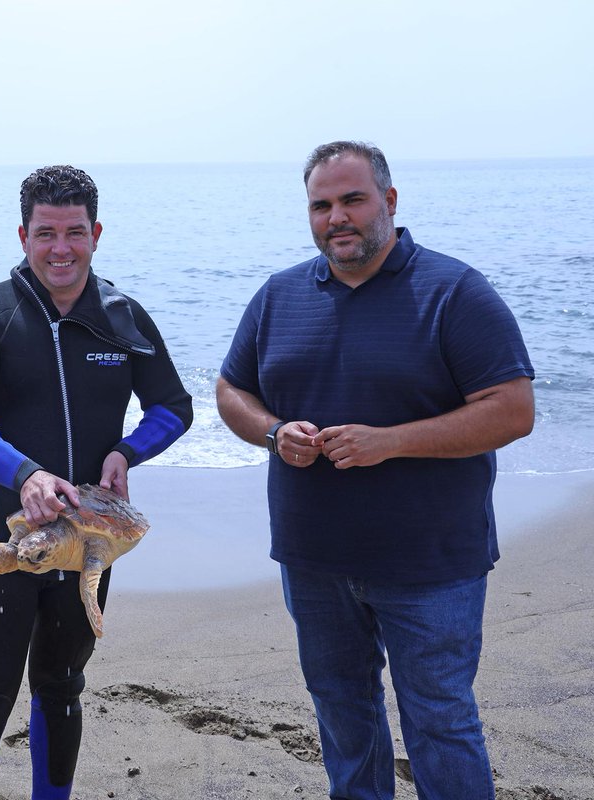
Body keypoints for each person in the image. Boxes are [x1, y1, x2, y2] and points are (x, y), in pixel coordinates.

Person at [216, 141, 535, 800]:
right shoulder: (278, 296)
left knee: (440, 723)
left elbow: (512, 410)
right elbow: (231, 392)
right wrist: (275, 433)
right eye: (321, 204)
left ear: (388, 201)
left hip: (431, 565)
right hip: (314, 560)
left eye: (352, 199)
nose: (337, 216)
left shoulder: (455, 292)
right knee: (342, 713)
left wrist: (390, 442)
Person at [0, 165, 193, 799]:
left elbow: (173, 407)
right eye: (45, 232)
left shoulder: (123, 317)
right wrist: (24, 475)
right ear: (23, 235)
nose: (60, 248)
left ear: (96, 233)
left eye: (74, 232)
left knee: (61, 687)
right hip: (0, 541)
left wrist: (127, 453)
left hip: (88, 544)